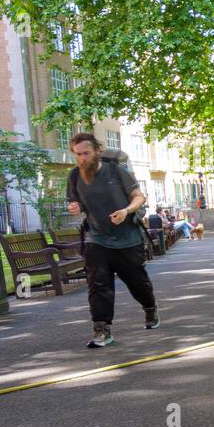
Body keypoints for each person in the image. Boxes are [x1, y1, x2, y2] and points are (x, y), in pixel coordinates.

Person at [65, 132, 159, 348]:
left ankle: (150, 307)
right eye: (78, 154)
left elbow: (139, 197)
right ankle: (102, 330)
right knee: (98, 284)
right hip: (96, 238)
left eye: (86, 153)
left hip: (127, 238)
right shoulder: (74, 177)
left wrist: (126, 211)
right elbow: (74, 203)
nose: (82, 158)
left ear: (97, 151)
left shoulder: (116, 171)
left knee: (138, 283)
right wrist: (74, 207)